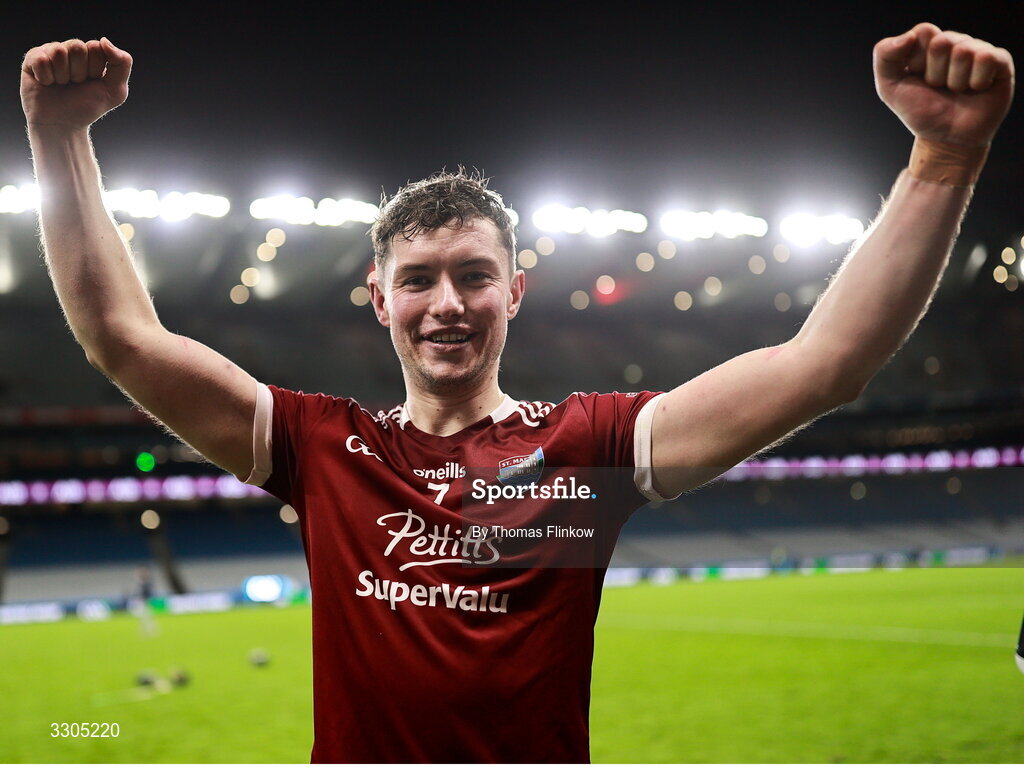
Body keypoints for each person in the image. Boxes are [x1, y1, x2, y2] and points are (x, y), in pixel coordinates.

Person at [20, 25, 1014, 762]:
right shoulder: (324, 452)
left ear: (515, 292)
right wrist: (59, 136)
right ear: (377, 298)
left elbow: (821, 365)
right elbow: (122, 336)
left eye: (472, 275)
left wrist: (943, 159)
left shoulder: (581, 455)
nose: (445, 303)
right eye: (416, 279)